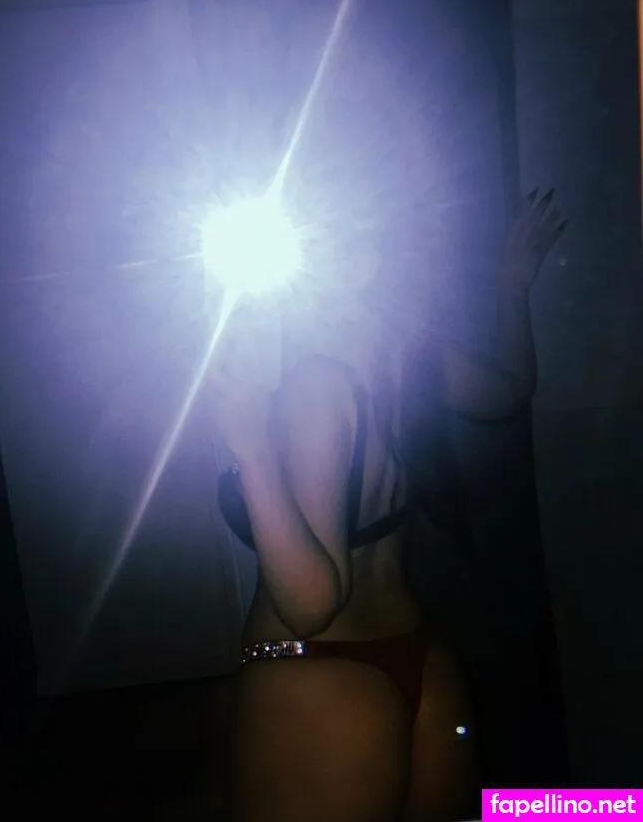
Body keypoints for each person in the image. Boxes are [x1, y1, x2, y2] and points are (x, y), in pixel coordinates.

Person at [209, 188, 567, 822]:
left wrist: (250, 445)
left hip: (315, 673)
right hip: (424, 664)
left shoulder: (317, 383)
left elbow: (311, 606)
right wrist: (512, 289)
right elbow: (510, 391)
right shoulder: (410, 358)